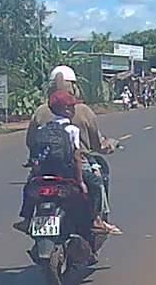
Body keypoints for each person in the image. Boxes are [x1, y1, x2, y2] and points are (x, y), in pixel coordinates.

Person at [16, 90, 121, 236]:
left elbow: (32, 145)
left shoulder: (42, 125)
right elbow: (78, 155)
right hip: (67, 171)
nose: (74, 109)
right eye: (72, 106)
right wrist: (80, 181)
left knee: (30, 187)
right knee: (96, 184)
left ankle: (26, 218)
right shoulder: (73, 127)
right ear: (66, 109)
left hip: (45, 171)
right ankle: (97, 220)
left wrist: (35, 170)